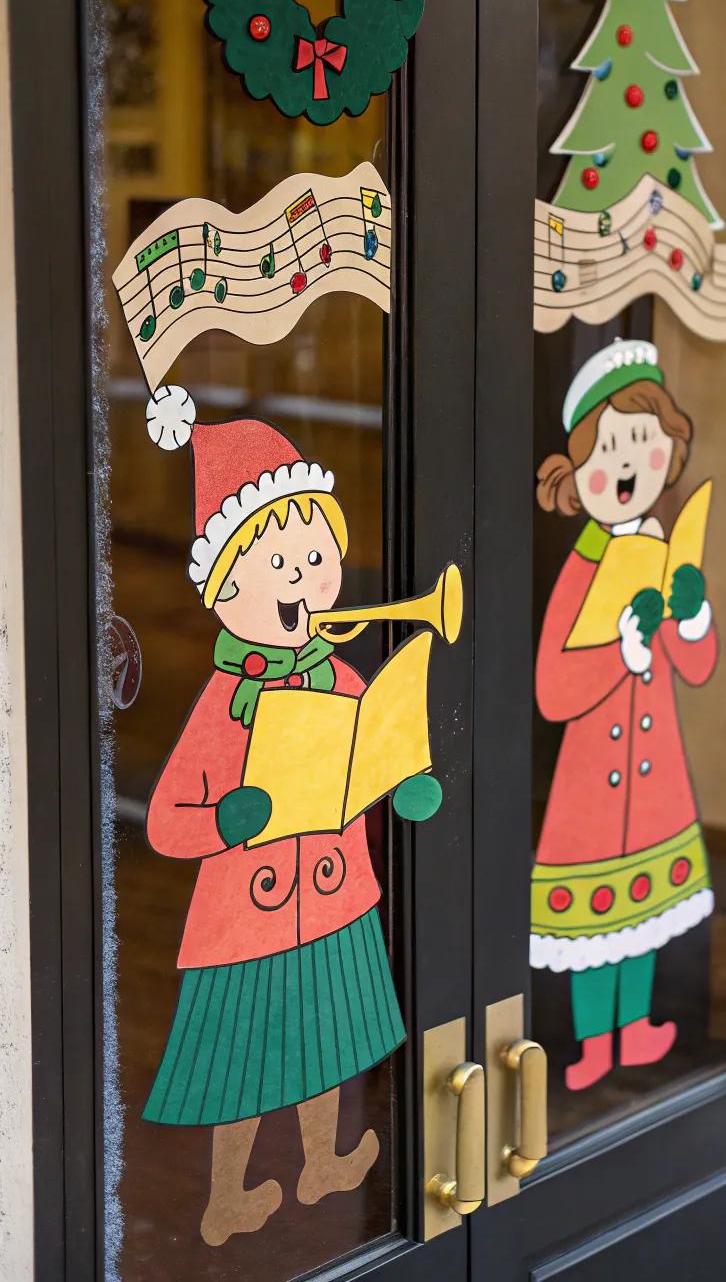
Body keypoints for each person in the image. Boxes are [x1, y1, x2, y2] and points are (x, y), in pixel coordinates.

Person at [141, 386, 437, 1245]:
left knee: (327, 1039)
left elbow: (365, 750)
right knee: (241, 1061)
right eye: (280, 564)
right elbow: (166, 822)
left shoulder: (336, 673)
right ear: (226, 587)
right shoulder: (223, 699)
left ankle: (321, 1160)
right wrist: (225, 821)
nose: (304, 581)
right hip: (248, 916)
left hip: (336, 902)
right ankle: (228, 1189)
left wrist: (401, 780)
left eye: (315, 559)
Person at [531, 340, 717, 1091]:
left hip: (658, 783)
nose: (631, 466)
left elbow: (698, 666)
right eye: (612, 450)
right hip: (590, 787)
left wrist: (689, 617)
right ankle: (592, 1040)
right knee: (593, 922)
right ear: (579, 476)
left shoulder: (664, 552)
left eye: (644, 445)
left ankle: (633, 1027)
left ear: (669, 457)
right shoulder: (582, 567)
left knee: (642, 915)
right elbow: (552, 689)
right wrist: (622, 647)